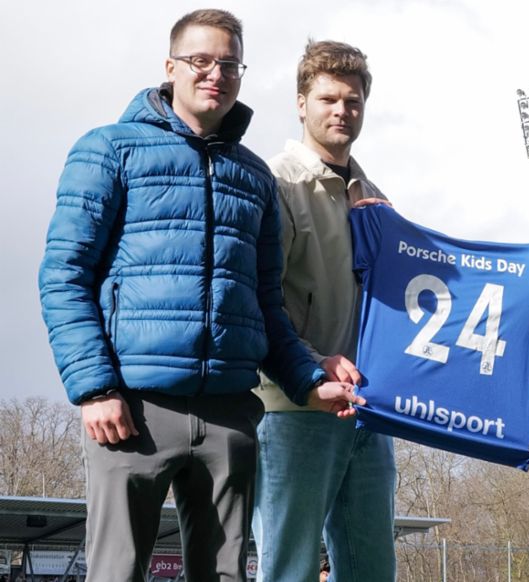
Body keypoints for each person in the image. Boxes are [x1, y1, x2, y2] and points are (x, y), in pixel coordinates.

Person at [38, 10, 361, 581]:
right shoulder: (108, 149)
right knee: (116, 572)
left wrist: (309, 381)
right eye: (201, 60)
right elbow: (64, 275)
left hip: (230, 416)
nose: (216, 74)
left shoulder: (255, 177)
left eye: (230, 64)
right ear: (171, 67)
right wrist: (95, 389)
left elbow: (267, 307)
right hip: (130, 413)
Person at [251, 40, 395, 582]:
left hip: (367, 409)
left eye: (353, 101)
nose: (342, 111)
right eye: (328, 99)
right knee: (288, 568)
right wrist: (312, 366)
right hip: (293, 408)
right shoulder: (276, 182)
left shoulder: (373, 193)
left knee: (372, 569)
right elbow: (257, 300)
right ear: (301, 104)